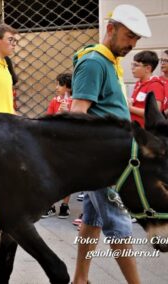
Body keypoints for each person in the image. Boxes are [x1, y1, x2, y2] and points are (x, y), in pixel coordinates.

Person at [70, 4, 151, 284]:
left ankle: (80, 279)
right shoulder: (94, 62)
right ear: (111, 28)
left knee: (92, 222)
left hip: (110, 156)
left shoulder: (108, 61)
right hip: (101, 161)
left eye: (136, 40)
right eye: (129, 36)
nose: (132, 44)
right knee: (119, 224)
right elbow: (77, 112)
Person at [42, 73, 72, 219]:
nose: (56, 87)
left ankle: (65, 205)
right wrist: (59, 113)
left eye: (59, 84)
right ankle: (49, 204)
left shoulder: (76, 102)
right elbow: (48, 120)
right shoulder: (55, 101)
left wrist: (69, 112)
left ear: (68, 87)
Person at [129, 50, 164, 127]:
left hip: (146, 133)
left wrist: (130, 108)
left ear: (148, 68)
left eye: (136, 65)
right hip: (136, 129)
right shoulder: (139, 83)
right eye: (132, 64)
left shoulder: (155, 85)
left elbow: (154, 113)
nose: (132, 68)